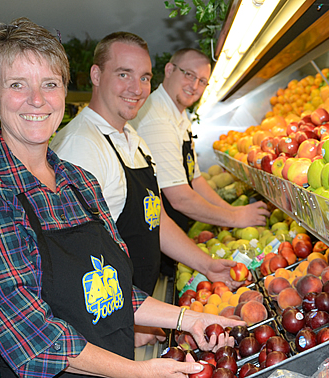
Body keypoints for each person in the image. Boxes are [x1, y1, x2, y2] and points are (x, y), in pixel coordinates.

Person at [0, 17, 243, 378]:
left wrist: (189, 319)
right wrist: (138, 372)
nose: (37, 99)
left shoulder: (79, 182)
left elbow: (112, 290)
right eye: (17, 85)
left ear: (64, 92)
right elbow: (31, 337)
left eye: (49, 84)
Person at [50, 32, 240, 298]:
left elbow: (156, 219)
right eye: (123, 74)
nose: (137, 89)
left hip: (138, 304)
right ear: (96, 75)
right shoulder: (81, 146)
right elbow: (77, 258)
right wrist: (135, 316)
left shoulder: (135, 141)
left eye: (144, 78)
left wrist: (207, 265)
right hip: (109, 314)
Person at [132, 48, 270, 234]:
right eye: (189, 74)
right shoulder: (158, 119)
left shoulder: (179, 115)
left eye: (202, 81)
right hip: (153, 232)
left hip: (172, 228)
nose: (195, 86)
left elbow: (195, 180)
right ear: (169, 70)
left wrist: (231, 210)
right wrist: (236, 218)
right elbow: (180, 198)